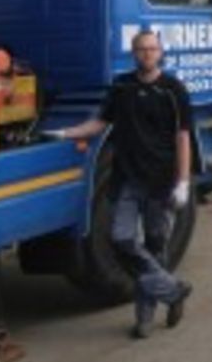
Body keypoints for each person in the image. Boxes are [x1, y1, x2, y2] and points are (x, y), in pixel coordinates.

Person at [52, 29, 194, 338]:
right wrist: (67, 133)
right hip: (127, 181)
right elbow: (101, 122)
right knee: (122, 239)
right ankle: (172, 290)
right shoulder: (122, 86)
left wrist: (182, 182)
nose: (147, 54)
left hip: (161, 181)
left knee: (156, 246)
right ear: (134, 53)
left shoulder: (173, 90)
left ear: (160, 52)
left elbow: (183, 138)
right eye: (141, 49)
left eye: (152, 49)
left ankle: (144, 318)